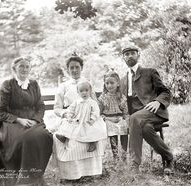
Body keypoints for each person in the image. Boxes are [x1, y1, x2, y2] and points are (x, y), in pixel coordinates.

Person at [0, 57, 53, 186]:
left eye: (27, 66)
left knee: (44, 136)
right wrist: (19, 120)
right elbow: (0, 111)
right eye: (21, 66)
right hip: (11, 122)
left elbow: (40, 106)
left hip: (32, 121)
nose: (24, 69)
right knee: (24, 138)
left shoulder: (34, 84)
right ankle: (23, 178)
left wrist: (35, 120)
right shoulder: (7, 85)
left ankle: (35, 176)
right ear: (14, 69)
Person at [120, 45, 173, 174]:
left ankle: (134, 164)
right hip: (137, 118)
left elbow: (166, 92)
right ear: (123, 58)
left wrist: (157, 102)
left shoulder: (150, 72)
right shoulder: (122, 80)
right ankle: (168, 157)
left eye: (133, 53)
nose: (130, 56)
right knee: (146, 129)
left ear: (138, 55)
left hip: (153, 112)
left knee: (135, 118)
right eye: (126, 54)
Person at [53, 55, 107, 180]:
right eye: (71, 68)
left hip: (86, 117)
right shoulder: (63, 86)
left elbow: (94, 103)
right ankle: (72, 175)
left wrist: (93, 116)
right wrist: (66, 114)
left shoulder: (87, 84)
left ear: (81, 68)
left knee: (94, 131)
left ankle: (91, 173)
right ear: (68, 69)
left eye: (77, 67)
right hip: (71, 117)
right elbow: (57, 108)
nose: (75, 70)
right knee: (71, 139)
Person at [55, 81, 107, 152]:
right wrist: (69, 116)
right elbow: (71, 109)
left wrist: (92, 119)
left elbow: (96, 112)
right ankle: (65, 137)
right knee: (69, 124)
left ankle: (92, 143)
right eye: (81, 91)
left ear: (90, 91)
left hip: (88, 120)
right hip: (78, 119)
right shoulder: (76, 102)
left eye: (86, 90)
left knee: (92, 129)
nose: (84, 93)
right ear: (78, 92)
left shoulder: (92, 102)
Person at [98, 71, 129, 160]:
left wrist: (125, 119)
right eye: (107, 83)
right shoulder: (103, 97)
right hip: (108, 119)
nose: (109, 85)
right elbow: (100, 113)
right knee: (112, 131)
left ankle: (124, 155)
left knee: (124, 127)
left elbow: (125, 111)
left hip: (119, 118)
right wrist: (106, 118)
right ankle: (115, 156)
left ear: (118, 83)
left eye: (112, 83)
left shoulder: (121, 97)